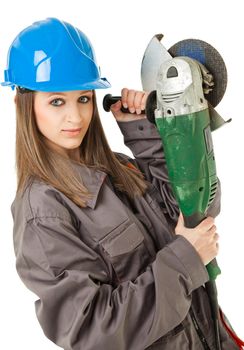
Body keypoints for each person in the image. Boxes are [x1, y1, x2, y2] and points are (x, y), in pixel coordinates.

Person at [2, 17, 239, 350]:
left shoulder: (117, 168)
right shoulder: (42, 212)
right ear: (23, 104)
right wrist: (186, 258)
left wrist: (145, 133)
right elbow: (95, 332)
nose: (75, 117)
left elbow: (197, 211)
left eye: (83, 99)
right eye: (57, 101)